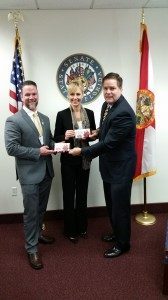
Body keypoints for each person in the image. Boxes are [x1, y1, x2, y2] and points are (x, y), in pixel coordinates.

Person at [69, 73, 136, 258]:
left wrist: (82, 152)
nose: (108, 92)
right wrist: (96, 133)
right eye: (105, 88)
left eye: (112, 88)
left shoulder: (124, 112)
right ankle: (117, 233)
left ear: (120, 89)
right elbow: (106, 130)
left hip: (121, 169)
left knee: (120, 208)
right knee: (112, 205)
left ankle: (123, 244)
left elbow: (109, 144)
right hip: (110, 166)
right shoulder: (107, 106)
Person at [4, 80, 55, 270]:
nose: (32, 97)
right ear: (22, 96)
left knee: (41, 210)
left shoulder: (45, 118)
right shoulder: (14, 120)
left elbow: (47, 142)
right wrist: (37, 152)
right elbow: (11, 148)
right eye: (28, 94)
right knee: (31, 213)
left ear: (38, 94)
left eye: (34, 94)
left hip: (47, 172)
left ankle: (38, 234)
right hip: (29, 174)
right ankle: (32, 248)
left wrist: (58, 145)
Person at [54, 80, 96, 243]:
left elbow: (94, 135)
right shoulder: (62, 114)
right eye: (72, 94)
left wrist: (92, 135)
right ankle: (70, 229)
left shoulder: (90, 113)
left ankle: (82, 227)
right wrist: (65, 136)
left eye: (78, 94)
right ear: (68, 95)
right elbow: (56, 139)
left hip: (85, 159)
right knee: (69, 195)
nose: (75, 97)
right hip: (68, 161)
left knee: (82, 195)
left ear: (83, 95)